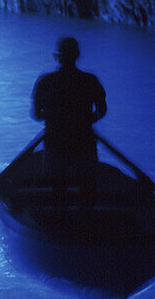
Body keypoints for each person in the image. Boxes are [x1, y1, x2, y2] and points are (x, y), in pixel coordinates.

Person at [31, 37, 106, 204]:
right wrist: (86, 120)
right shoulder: (90, 80)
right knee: (87, 187)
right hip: (84, 140)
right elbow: (102, 111)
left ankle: (60, 220)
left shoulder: (45, 82)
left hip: (55, 141)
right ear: (77, 55)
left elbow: (36, 114)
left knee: (58, 188)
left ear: (56, 57)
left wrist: (54, 118)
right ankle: (87, 220)